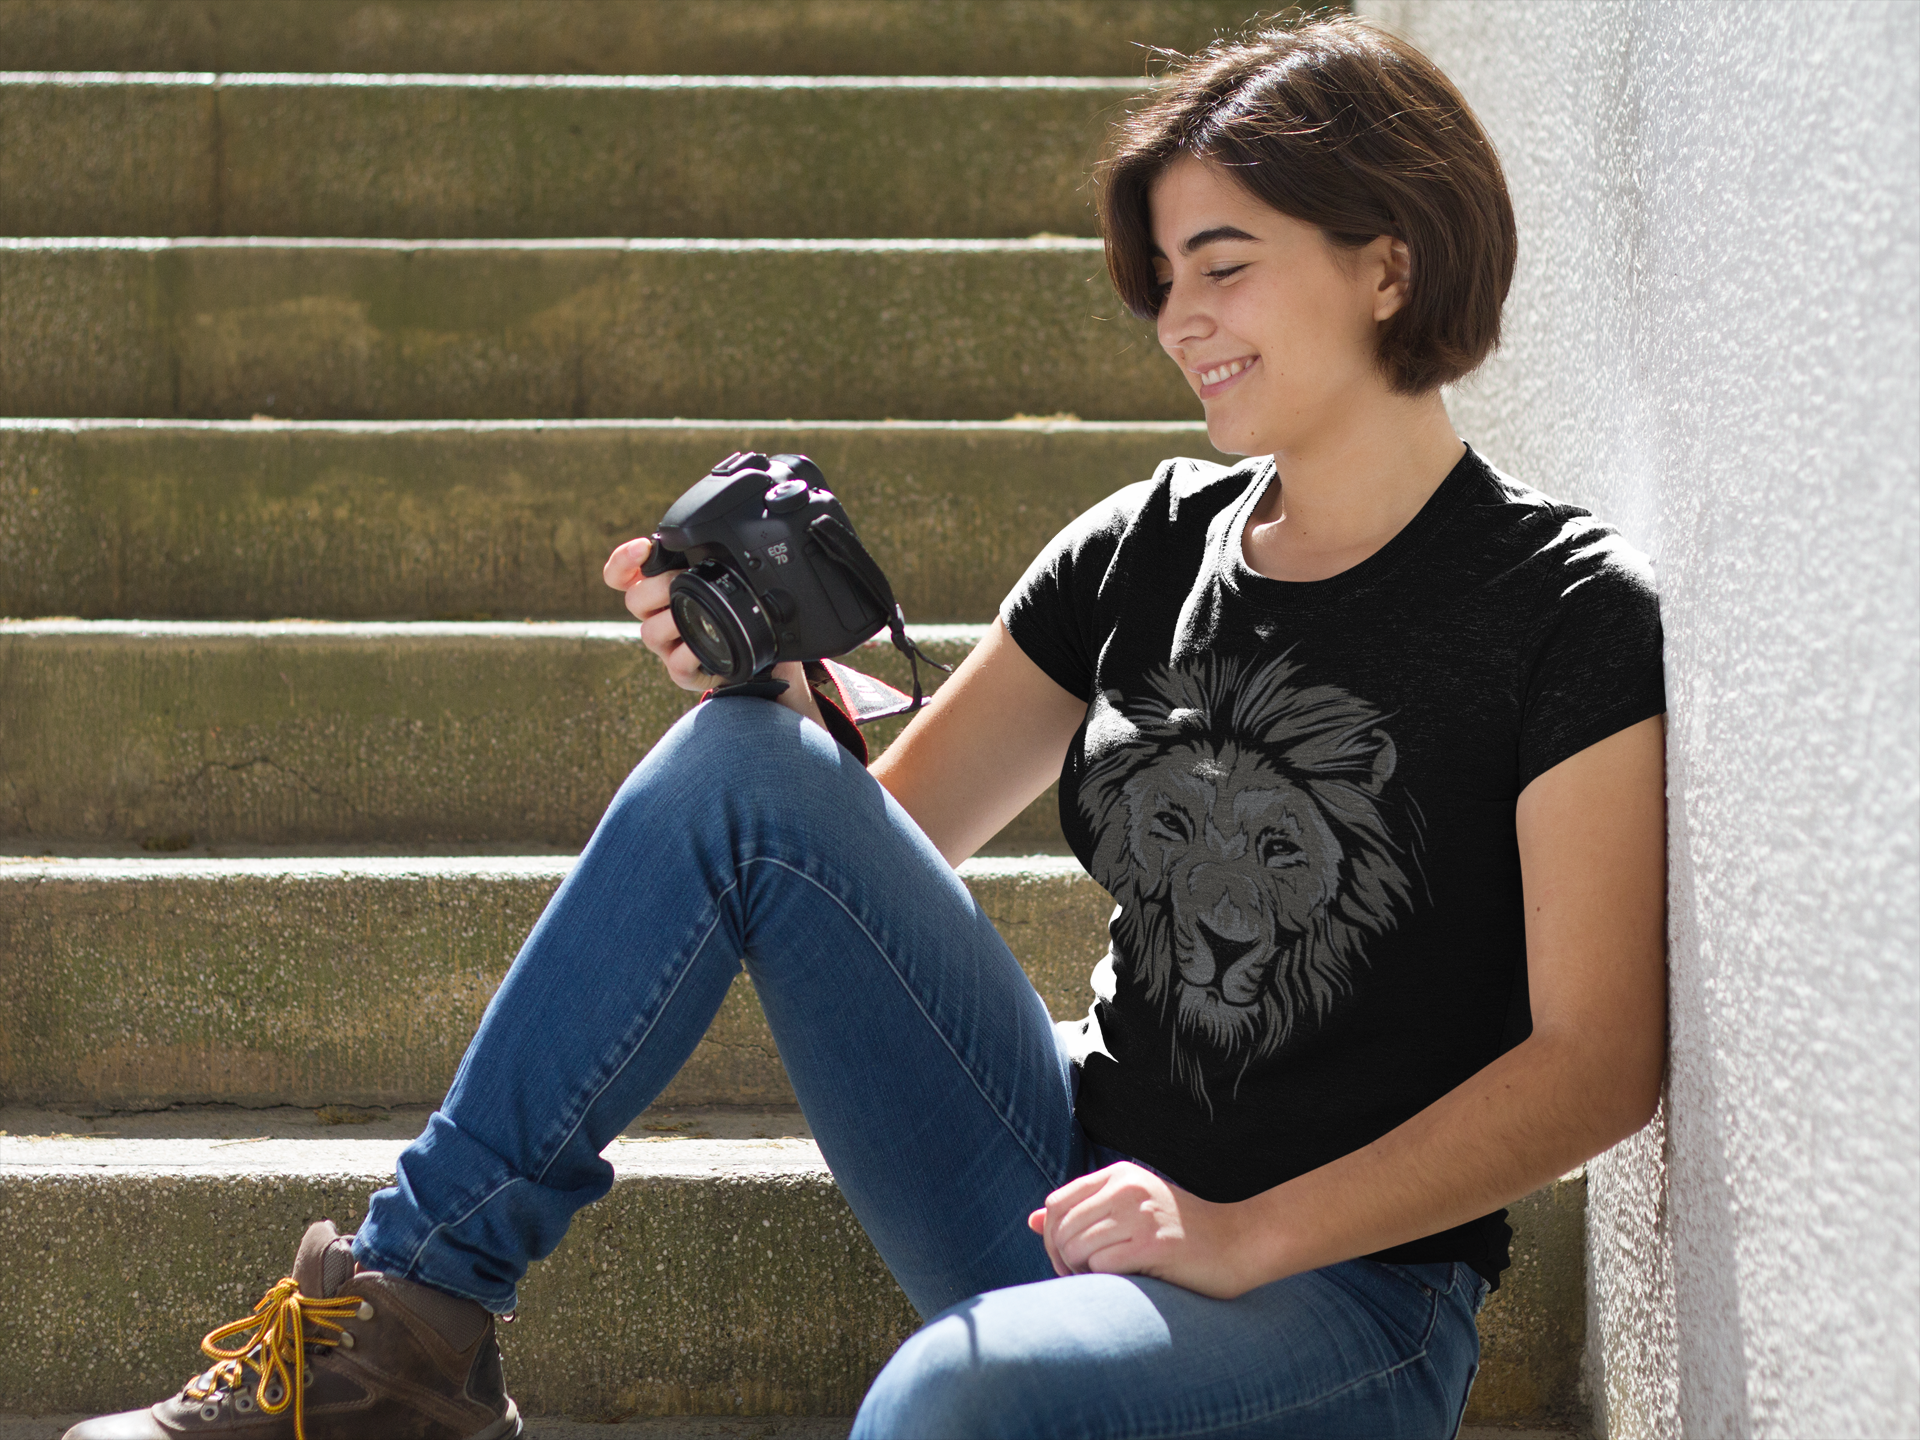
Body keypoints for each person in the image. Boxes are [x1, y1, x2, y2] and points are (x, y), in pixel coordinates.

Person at [67, 15, 1666, 1440]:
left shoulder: (1562, 611)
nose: (1179, 318)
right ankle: (408, 1324)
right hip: (1056, 1183)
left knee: (951, 1393)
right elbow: (870, 853)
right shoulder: (1143, 545)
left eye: (1224, 264)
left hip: (1343, 1302)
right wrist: (768, 700)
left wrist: (1244, 1235)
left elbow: (1598, 1066)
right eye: (1163, 279)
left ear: (1389, 262)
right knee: (744, 770)